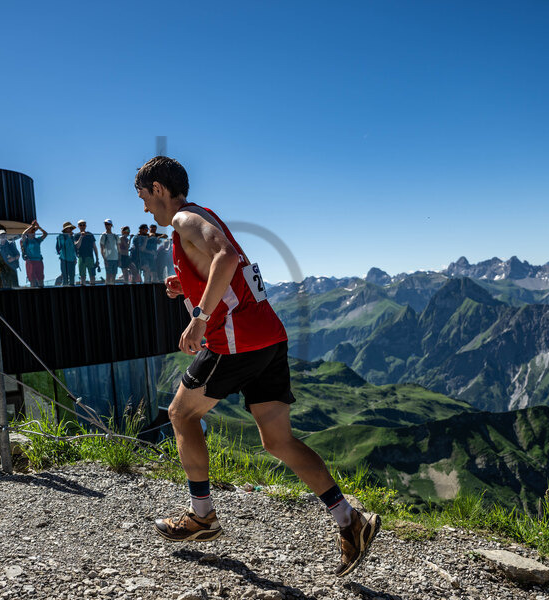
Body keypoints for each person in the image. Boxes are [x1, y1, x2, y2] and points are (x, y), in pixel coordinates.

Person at [135, 156, 380, 578]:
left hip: (234, 342)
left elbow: (227, 258)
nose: (144, 209)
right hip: (269, 337)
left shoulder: (185, 219)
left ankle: (202, 516)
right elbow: (228, 269)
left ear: (158, 188)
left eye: (143, 197)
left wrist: (199, 315)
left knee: (179, 413)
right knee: (278, 440)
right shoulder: (203, 216)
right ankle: (349, 520)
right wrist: (189, 283)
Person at [20, 220, 47, 287]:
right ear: (28, 232)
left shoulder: (37, 240)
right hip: (30, 262)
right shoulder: (25, 241)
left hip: (39, 261)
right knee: (33, 281)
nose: (33, 232)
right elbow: (23, 234)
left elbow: (45, 234)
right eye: (31, 231)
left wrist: (39, 227)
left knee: (41, 280)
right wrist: (31, 227)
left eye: (34, 231)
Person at [74, 219, 99, 286]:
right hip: (81, 257)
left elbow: (95, 247)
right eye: (81, 225)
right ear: (78, 226)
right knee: (82, 276)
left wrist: (97, 259)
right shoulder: (76, 235)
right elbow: (77, 246)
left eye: (84, 225)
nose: (82, 226)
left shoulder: (90, 235)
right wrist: (81, 237)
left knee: (92, 275)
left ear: (86, 226)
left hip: (90, 257)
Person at [99, 218, 120, 285]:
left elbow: (118, 248)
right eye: (105, 224)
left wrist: (119, 259)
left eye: (108, 224)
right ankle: (107, 291)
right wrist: (105, 259)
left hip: (115, 258)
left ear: (111, 225)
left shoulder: (115, 235)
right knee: (108, 276)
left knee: (114, 276)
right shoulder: (103, 235)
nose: (107, 225)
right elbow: (101, 248)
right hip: (108, 259)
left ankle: (112, 291)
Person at [55, 222, 77, 286]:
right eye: (68, 228)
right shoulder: (61, 236)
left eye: (71, 228)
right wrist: (68, 237)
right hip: (64, 259)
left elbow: (73, 248)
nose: (70, 230)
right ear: (65, 229)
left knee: (72, 277)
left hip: (72, 260)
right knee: (65, 277)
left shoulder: (73, 237)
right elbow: (62, 245)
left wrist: (75, 258)